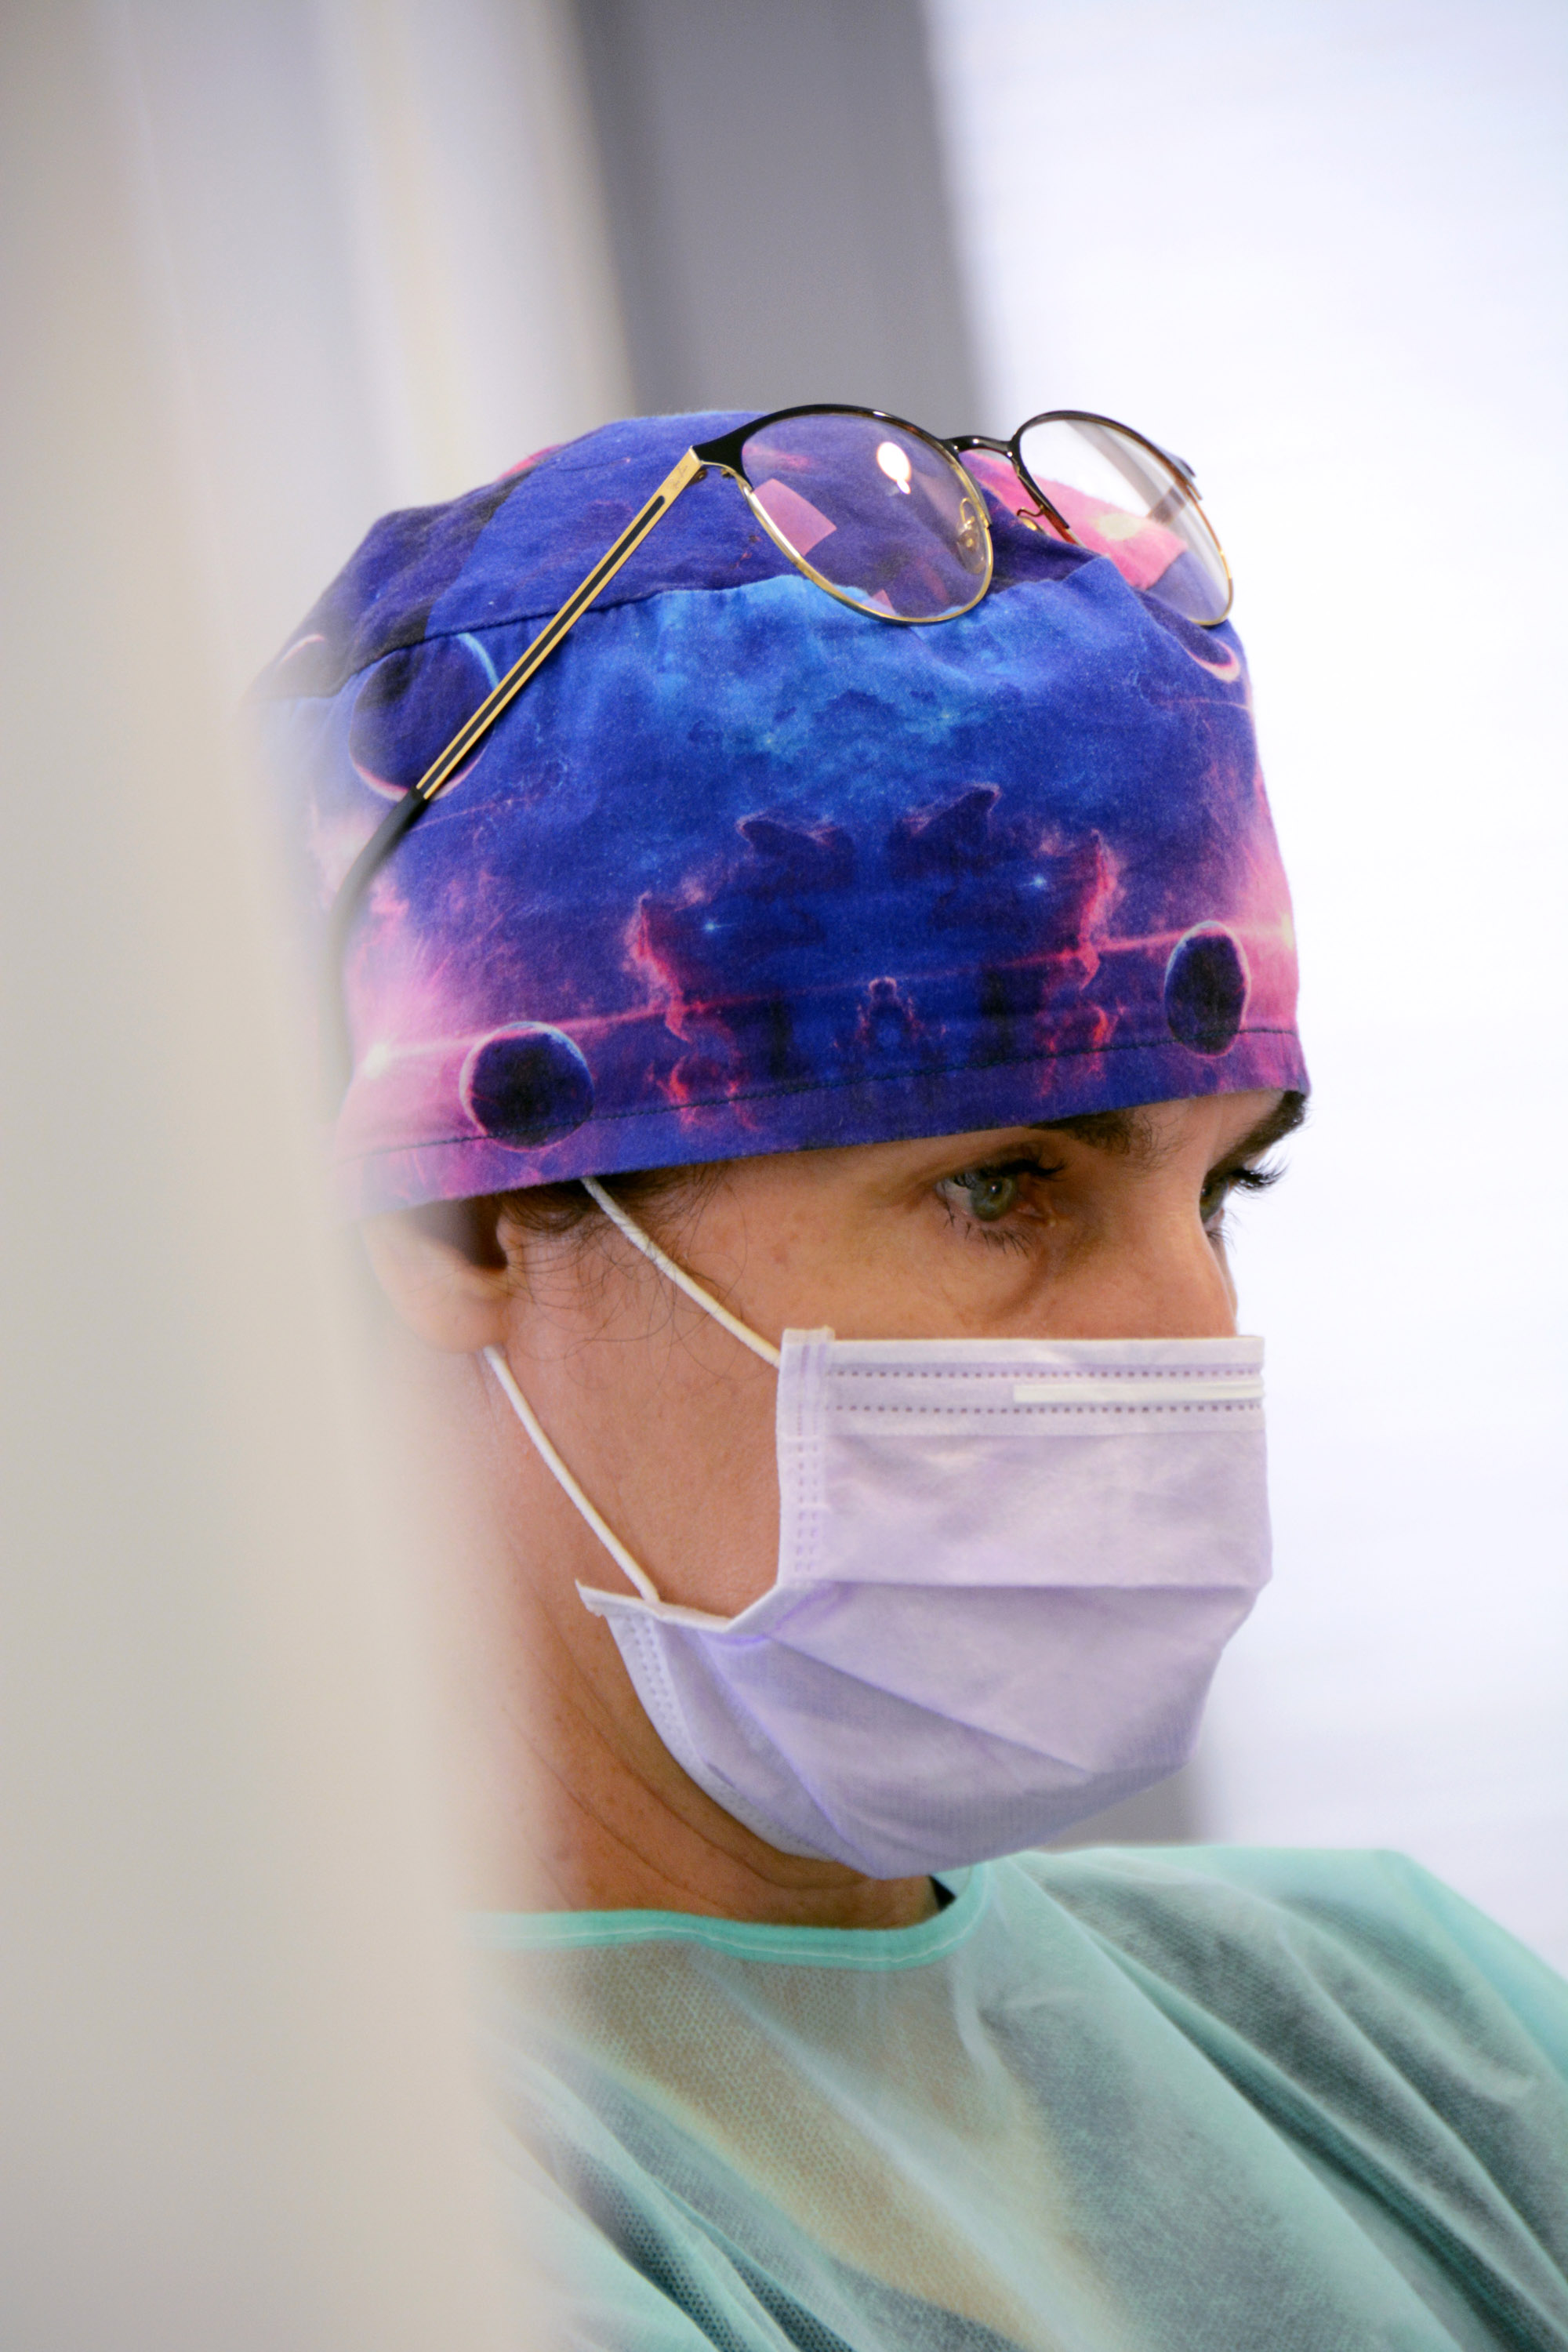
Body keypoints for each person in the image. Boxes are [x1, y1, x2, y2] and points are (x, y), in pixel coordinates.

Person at [254, 408, 1568, 2350]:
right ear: (463, 1226)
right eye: (1000, 1184)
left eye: (1225, 1190)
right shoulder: (340, 2220)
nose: (1189, 1338)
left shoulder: (1409, 2034)